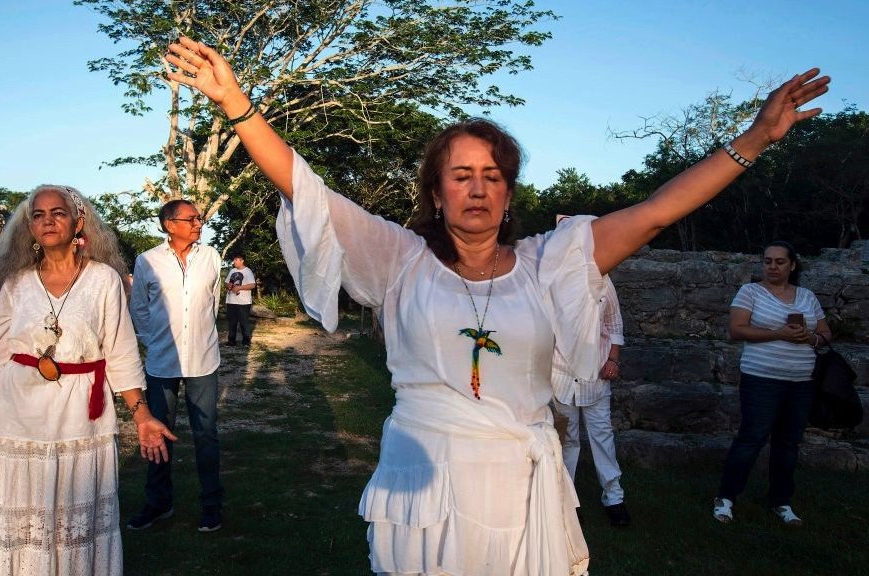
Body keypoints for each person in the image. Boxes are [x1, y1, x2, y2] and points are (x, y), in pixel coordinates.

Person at [166, 37, 829, 574]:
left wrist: (756, 137)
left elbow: (654, 213)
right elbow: (303, 186)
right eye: (461, 175)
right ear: (435, 193)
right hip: (427, 485)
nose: (478, 189)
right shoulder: (399, 258)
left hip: (522, 482)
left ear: (509, 194)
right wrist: (237, 103)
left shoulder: (551, 260)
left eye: (493, 176)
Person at [0, 185, 176, 575]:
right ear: (30, 227)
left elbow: (121, 355)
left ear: (79, 221)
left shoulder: (104, 280)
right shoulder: (16, 284)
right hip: (18, 417)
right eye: (38, 215)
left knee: (74, 529)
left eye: (57, 212)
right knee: (22, 526)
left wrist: (141, 415)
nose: (47, 220)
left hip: (80, 420)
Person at [713, 241, 832, 527]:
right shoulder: (750, 292)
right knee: (751, 439)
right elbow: (737, 329)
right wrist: (779, 333)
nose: (772, 267)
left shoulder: (807, 296)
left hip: (800, 382)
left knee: (788, 444)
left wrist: (811, 339)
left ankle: (781, 501)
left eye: (779, 262)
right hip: (762, 379)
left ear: (792, 265)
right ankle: (726, 497)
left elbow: (826, 333)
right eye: (768, 261)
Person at [127, 199, 225, 532]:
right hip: (161, 363)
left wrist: (200, 335)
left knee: (206, 435)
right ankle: (158, 503)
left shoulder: (211, 257)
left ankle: (211, 506)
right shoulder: (147, 261)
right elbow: (139, 308)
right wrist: (152, 341)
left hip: (203, 360)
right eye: (192, 218)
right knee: (157, 435)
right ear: (170, 224)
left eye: (200, 218)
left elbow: (213, 301)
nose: (199, 223)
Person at [552, 274, 630, 526]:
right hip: (560, 375)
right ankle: (567, 501)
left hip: (596, 374)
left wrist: (613, 359)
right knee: (567, 440)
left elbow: (614, 323)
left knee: (602, 436)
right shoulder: (553, 278)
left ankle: (614, 497)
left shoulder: (603, 281)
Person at [224, 253, 257, 346]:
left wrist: (239, 288)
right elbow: (226, 282)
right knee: (232, 322)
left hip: (243, 302)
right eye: (234, 260)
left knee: (244, 322)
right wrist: (228, 285)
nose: (234, 262)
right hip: (231, 300)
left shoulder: (248, 271)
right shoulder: (232, 271)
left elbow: (253, 285)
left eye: (236, 260)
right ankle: (231, 341)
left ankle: (246, 341)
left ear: (242, 261)